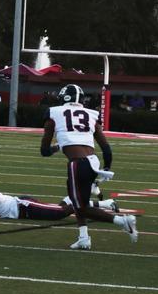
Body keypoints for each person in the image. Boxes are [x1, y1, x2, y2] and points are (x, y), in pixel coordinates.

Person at [41, 84, 138, 250]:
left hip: (78, 164)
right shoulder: (92, 114)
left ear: (64, 97)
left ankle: (122, 221)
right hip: (93, 161)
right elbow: (106, 148)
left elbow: (44, 151)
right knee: (77, 199)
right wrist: (106, 168)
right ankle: (84, 237)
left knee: (80, 206)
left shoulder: (53, 112)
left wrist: (58, 146)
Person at [0, 172, 118, 220]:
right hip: (22, 207)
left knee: (62, 212)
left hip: (24, 207)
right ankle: (107, 204)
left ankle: (90, 189)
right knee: (61, 207)